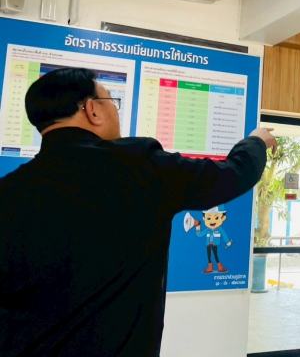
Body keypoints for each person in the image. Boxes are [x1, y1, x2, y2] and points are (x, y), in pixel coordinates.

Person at [0, 68, 277, 356]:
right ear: (92, 110)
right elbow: (233, 175)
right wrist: (256, 140)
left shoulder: (8, 190)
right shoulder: (140, 165)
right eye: (111, 101)